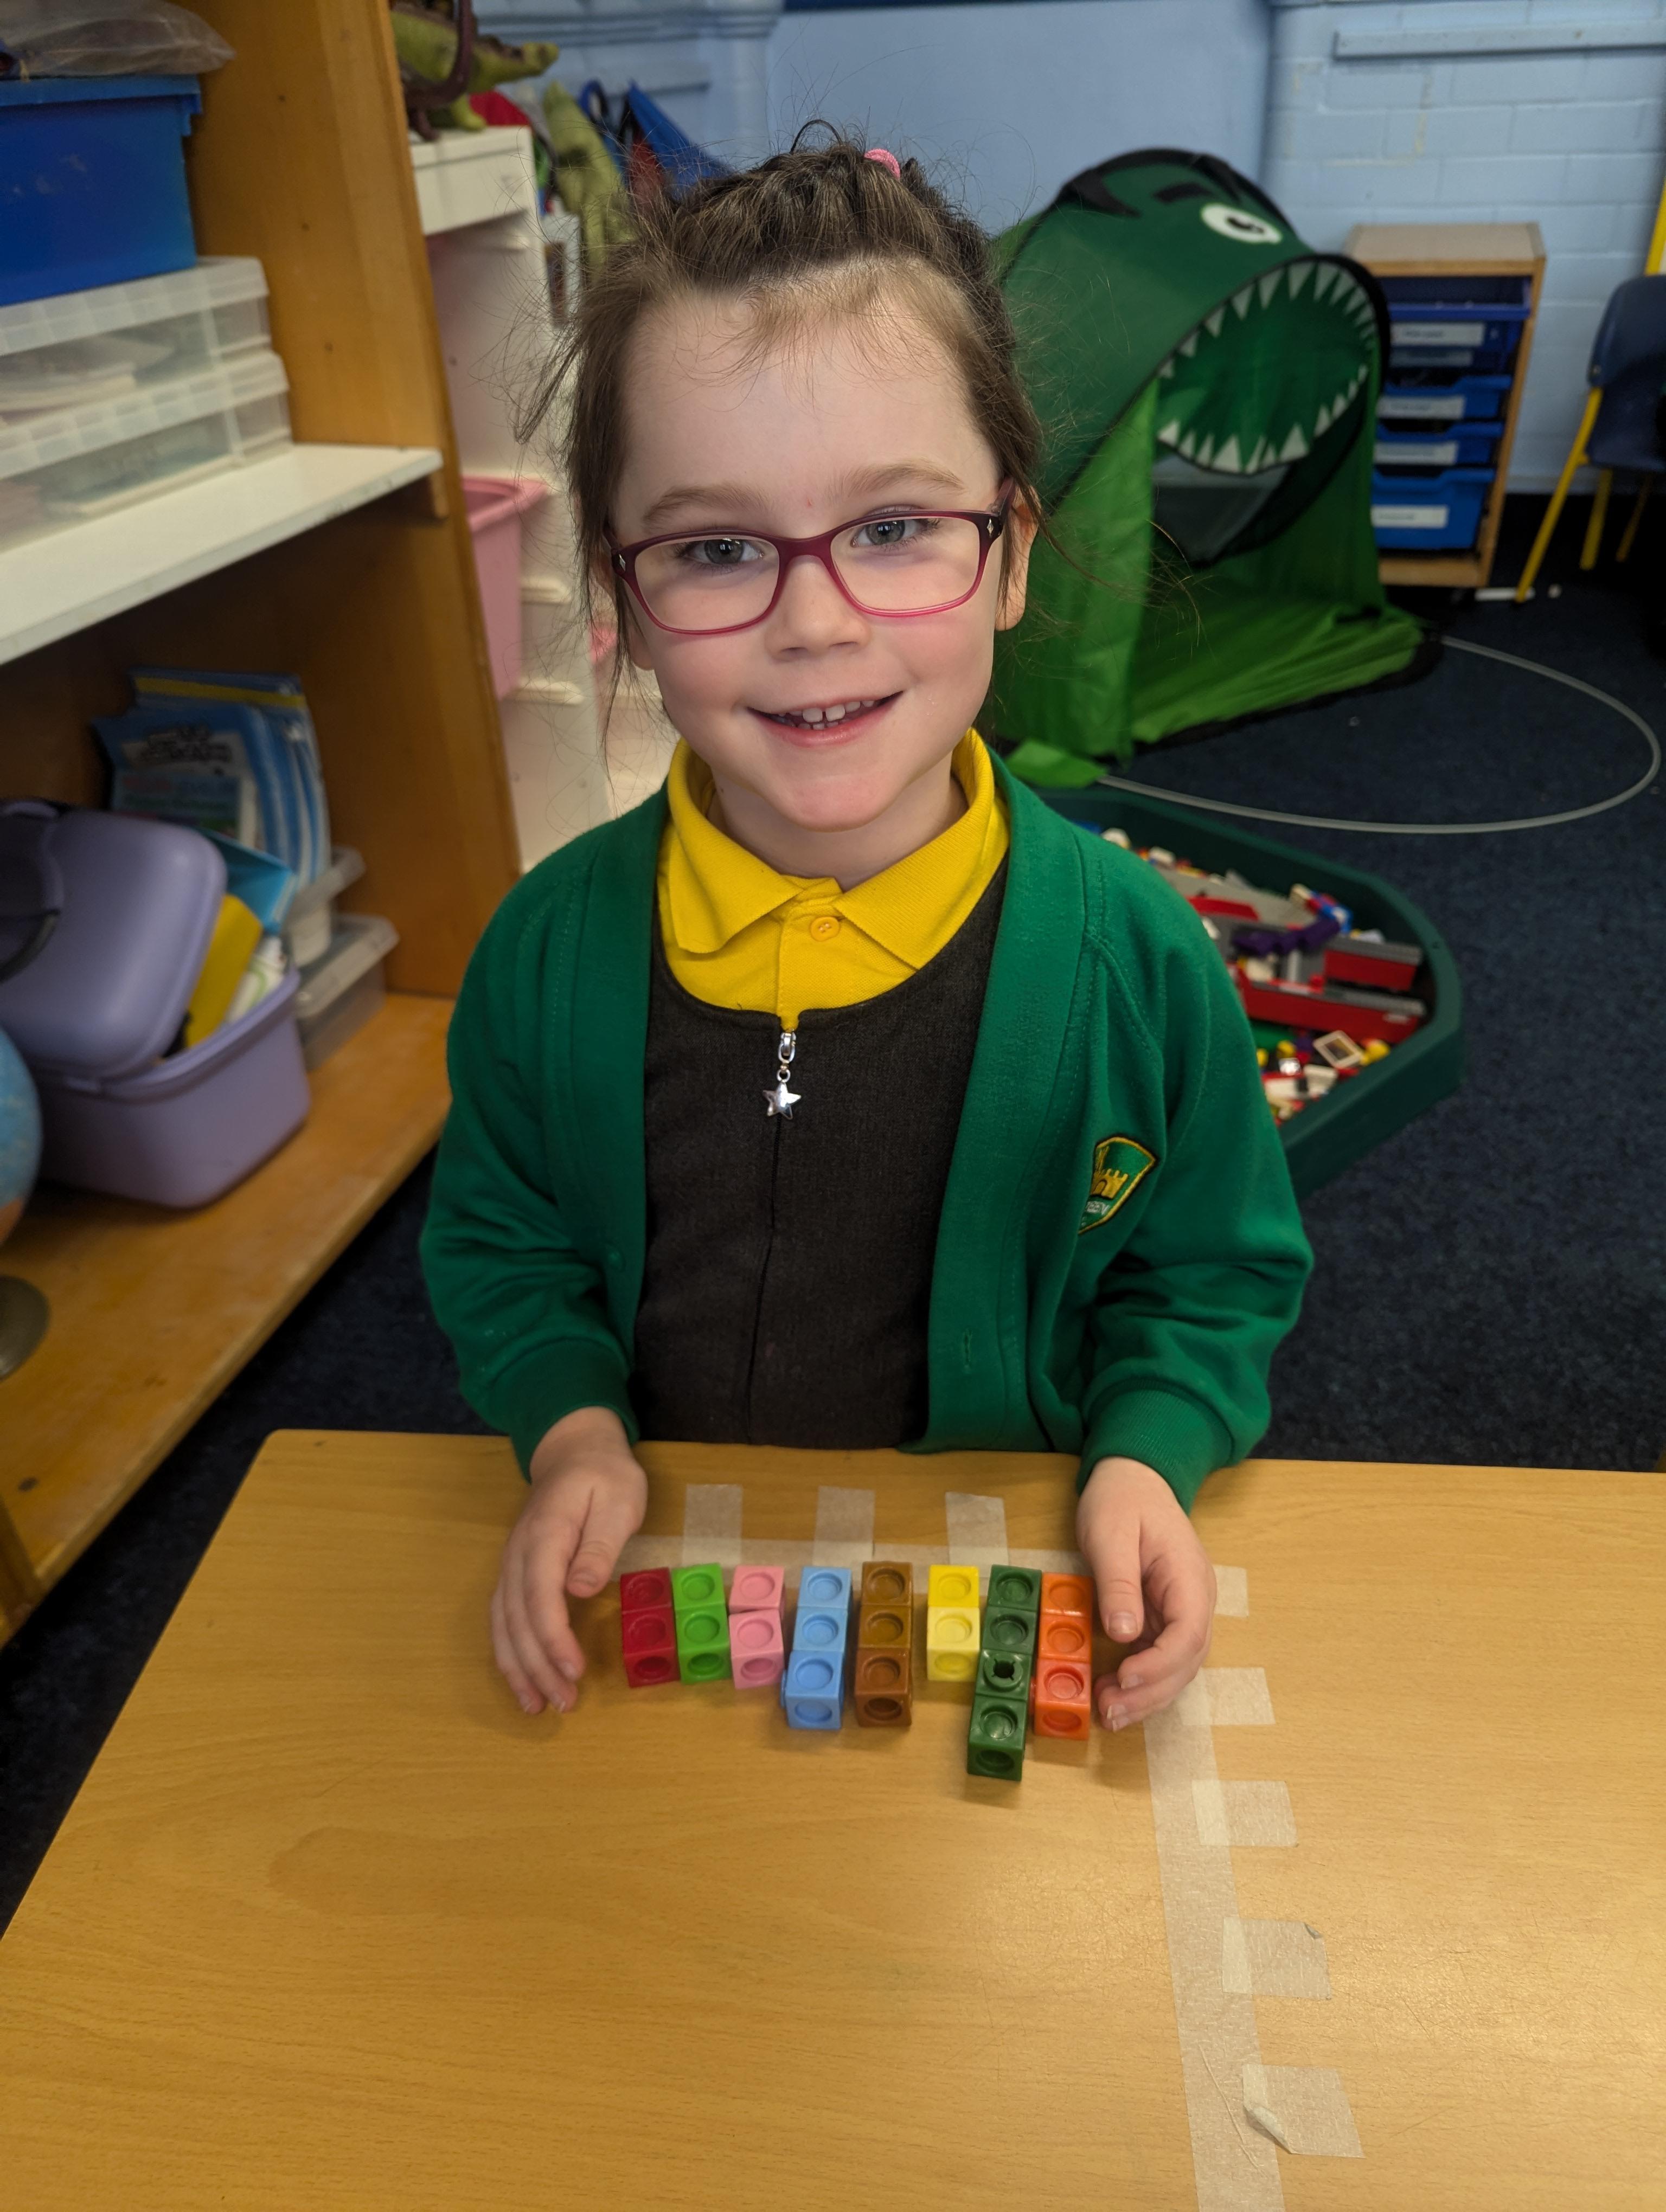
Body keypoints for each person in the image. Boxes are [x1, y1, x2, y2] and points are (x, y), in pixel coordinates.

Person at [421, 135, 1312, 1731]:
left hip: (985, 1580)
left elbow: (1208, 1272)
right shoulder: (542, 957)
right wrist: (569, 1430)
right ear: (621, 608)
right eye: (715, 549)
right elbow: (505, 1243)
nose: (815, 621)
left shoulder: (1140, 965)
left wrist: (1146, 1453)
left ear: (1011, 556)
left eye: (896, 526)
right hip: (675, 1590)